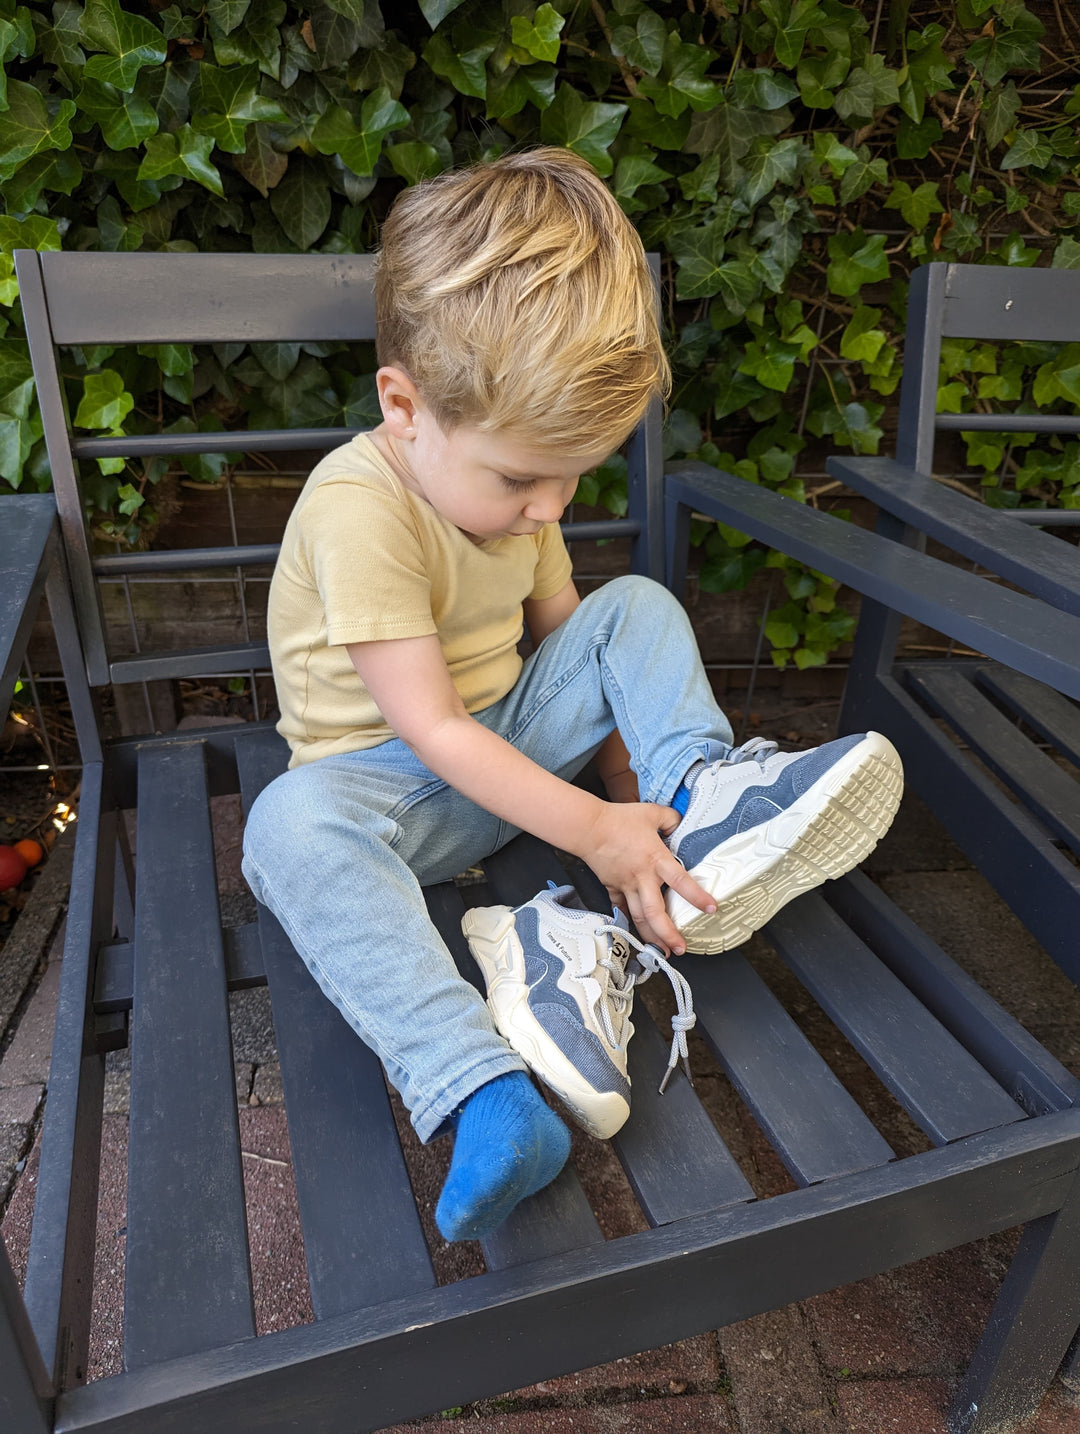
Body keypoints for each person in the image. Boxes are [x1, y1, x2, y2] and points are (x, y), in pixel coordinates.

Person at [242, 147, 903, 1244]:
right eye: (519, 479)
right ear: (404, 408)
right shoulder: (357, 509)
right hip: (392, 796)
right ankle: (480, 1093)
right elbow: (435, 730)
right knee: (284, 831)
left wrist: (634, 804)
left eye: (575, 475)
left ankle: (709, 806)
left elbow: (575, 645)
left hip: (515, 755)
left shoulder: (525, 506)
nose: (551, 508)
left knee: (634, 603)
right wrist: (595, 831)